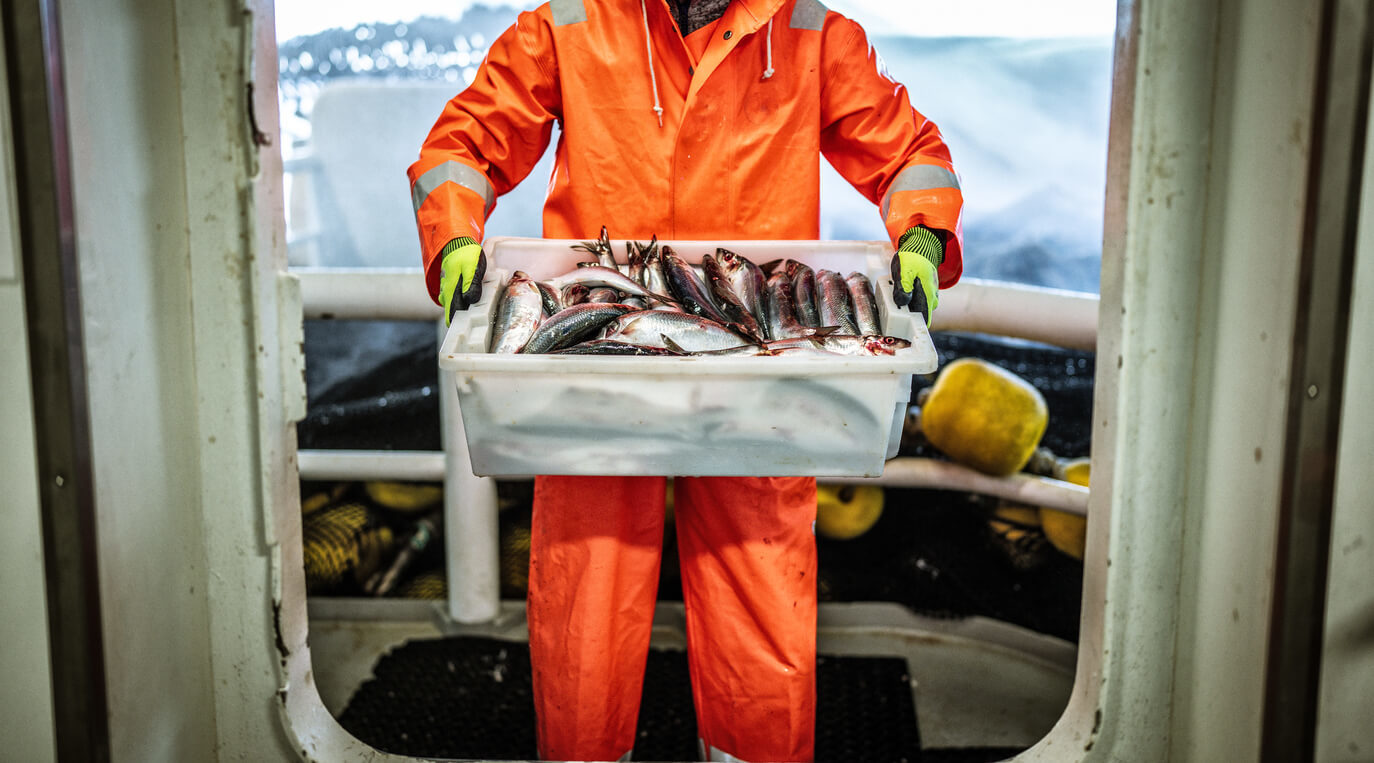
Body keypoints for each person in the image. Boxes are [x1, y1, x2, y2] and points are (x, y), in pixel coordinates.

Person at [408, 1, 963, 759]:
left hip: (760, 369)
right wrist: (456, 229)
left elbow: (908, 153)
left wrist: (924, 230)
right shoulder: (572, 22)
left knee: (761, 578)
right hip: (597, 364)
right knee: (586, 587)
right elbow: (465, 141)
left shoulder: (808, 31)